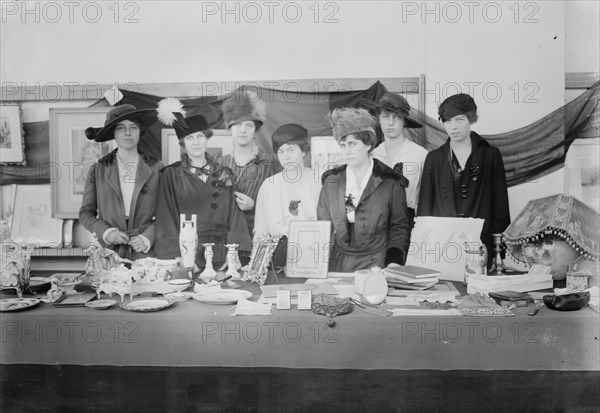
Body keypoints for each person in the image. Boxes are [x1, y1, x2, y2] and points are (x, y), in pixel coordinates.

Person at [418, 93, 510, 268]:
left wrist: (499, 253)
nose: (453, 127)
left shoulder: (490, 155)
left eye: (459, 120)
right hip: (442, 246)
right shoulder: (434, 158)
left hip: (481, 248)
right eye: (448, 121)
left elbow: (500, 206)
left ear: (471, 119)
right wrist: (425, 249)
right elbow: (424, 208)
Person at [317, 107, 411, 272]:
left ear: (368, 144)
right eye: (343, 145)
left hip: (377, 262)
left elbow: (399, 227)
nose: (347, 151)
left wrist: (394, 262)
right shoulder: (331, 182)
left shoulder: (391, 183)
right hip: (339, 262)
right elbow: (323, 227)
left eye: (353, 144)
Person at [154, 113, 251, 270]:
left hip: (222, 254)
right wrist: (181, 257)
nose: (196, 143)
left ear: (207, 138)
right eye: (190, 138)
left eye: (200, 136)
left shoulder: (223, 173)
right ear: (183, 143)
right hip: (188, 254)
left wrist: (233, 253)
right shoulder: (171, 175)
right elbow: (165, 218)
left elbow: (235, 214)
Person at [79, 104, 162, 260]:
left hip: (146, 256)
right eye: (121, 128)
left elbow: (167, 213)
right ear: (113, 134)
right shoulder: (98, 170)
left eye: (133, 127)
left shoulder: (157, 168)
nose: (128, 133)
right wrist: (107, 232)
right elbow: (85, 213)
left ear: (140, 132)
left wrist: (147, 237)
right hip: (109, 255)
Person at [254, 124, 322, 268]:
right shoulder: (269, 186)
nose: (286, 156)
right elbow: (261, 231)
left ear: (303, 151)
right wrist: (257, 267)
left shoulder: (319, 181)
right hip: (278, 257)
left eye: (291, 150)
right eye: (281, 151)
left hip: (314, 255)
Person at [217, 89, 281, 237]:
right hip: (228, 240)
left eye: (249, 125)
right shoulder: (219, 164)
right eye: (237, 125)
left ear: (255, 129)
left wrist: (255, 206)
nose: (243, 130)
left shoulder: (271, 163)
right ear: (229, 128)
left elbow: (283, 206)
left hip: (261, 240)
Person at [371, 93, 428, 232]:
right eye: (386, 116)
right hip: (376, 228)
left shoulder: (420, 155)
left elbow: (426, 199)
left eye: (397, 117)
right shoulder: (372, 156)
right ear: (379, 119)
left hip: (409, 226)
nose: (391, 123)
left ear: (405, 121)